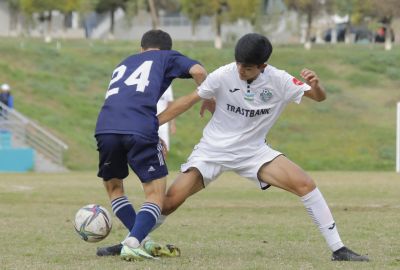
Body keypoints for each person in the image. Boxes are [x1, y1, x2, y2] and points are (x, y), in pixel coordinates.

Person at [99, 33, 370, 262]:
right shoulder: (223, 74)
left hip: (253, 152)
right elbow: (188, 100)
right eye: (239, 64)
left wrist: (317, 86)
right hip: (212, 150)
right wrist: (154, 124)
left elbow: (318, 98)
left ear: (263, 66)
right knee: (167, 202)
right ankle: (131, 240)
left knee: (305, 184)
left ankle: (338, 249)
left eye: (248, 68)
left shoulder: (280, 80)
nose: (241, 70)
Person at [94, 29, 207, 261]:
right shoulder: (166, 56)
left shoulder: (124, 62)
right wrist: (208, 97)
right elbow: (199, 70)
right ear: (166, 49)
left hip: (105, 126)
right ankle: (134, 242)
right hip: (139, 127)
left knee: (115, 189)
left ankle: (140, 240)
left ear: (141, 49)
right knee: (155, 195)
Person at [157, 85, 176, 152]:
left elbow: (170, 104)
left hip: (163, 122)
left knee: (164, 149)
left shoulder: (168, 85)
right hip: (148, 121)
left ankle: (162, 162)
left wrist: (172, 124)